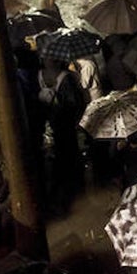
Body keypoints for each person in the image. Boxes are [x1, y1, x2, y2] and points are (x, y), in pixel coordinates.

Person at [37, 57, 88, 211]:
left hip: (52, 119)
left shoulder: (39, 75)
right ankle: (75, 180)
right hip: (65, 120)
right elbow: (74, 103)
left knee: (60, 147)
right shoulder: (66, 78)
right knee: (70, 147)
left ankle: (64, 180)